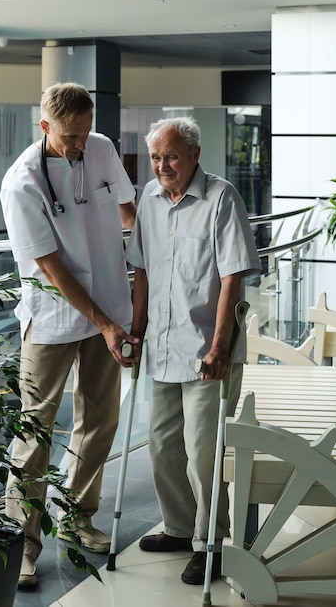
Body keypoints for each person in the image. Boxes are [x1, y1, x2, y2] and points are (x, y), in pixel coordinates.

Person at [0, 82, 138, 588]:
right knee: (35, 429)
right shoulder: (22, 183)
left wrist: (154, 260)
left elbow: (128, 210)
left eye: (85, 132)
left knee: (100, 418)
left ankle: (77, 518)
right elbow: (51, 266)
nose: (80, 144)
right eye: (70, 136)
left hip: (110, 307)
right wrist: (102, 322)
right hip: (55, 315)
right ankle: (23, 545)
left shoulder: (99, 147)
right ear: (45, 126)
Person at [125, 117, 261, 585]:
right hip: (161, 347)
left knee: (203, 453)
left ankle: (213, 542)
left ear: (195, 155)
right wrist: (135, 332)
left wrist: (221, 347)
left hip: (207, 351)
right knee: (163, 447)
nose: (163, 165)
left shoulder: (222, 198)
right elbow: (140, 271)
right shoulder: (148, 199)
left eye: (172, 156)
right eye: (157, 157)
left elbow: (233, 277)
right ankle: (181, 528)